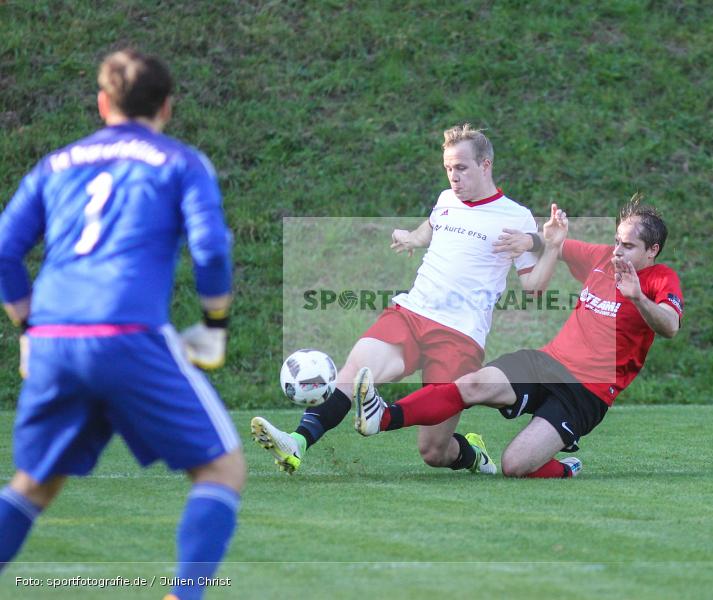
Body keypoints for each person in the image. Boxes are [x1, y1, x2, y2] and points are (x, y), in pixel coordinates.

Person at [0, 50, 244, 600]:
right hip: (126, 335)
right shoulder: (181, 162)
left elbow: (4, 252)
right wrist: (214, 322)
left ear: (103, 103)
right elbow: (210, 249)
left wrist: (28, 328)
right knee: (222, 471)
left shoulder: (54, 165)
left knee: (33, 485)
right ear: (167, 106)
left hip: (56, 341)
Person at [251, 124, 543, 476]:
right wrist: (412, 238)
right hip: (412, 312)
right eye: (448, 168)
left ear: (486, 165)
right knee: (356, 369)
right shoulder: (446, 200)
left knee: (434, 451)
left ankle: (474, 455)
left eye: (462, 168)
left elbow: (535, 286)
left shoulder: (516, 216)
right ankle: (296, 442)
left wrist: (549, 244)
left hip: (460, 333)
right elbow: (432, 227)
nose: (454, 177)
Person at [352, 197, 684, 478]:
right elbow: (556, 246)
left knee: (514, 466)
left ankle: (564, 468)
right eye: (616, 241)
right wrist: (534, 240)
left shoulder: (661, 279)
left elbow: (670, 326)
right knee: (474, 384)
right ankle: (382, 417)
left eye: (628, 246)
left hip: (588, 392)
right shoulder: (602, 259)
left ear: (652, 250)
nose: (617, 251)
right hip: (547, 362)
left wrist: (639, 297)